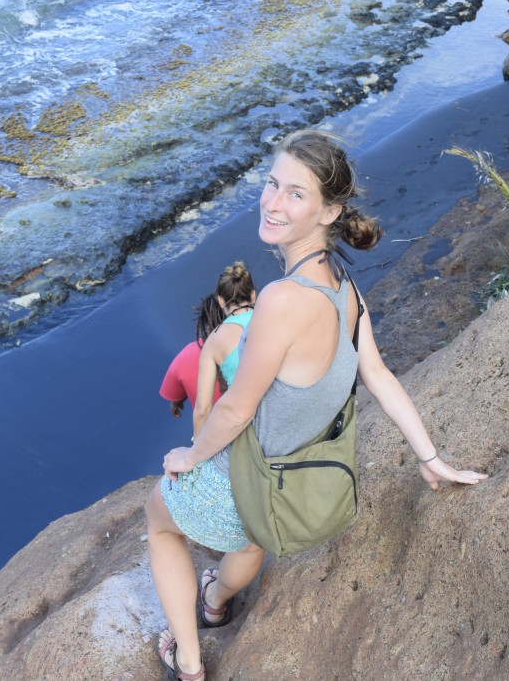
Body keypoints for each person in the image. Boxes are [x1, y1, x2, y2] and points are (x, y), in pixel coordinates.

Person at [146, 129, 489, 681]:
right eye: (271, 184)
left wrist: (190, 457)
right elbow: (376, 373)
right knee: (250, 538)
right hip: (305, 481)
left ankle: (187, 659)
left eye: (295, 194)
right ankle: (214, 602)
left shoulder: (282, 299)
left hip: (258, 477)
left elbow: (234, 411)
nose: (273, 203)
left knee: (159, 518)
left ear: (330, 211)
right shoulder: (344, 285)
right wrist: (429, 456)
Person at [192, 262, 256, 439]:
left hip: (249, 424)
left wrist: (195, 453)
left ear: (220, 301)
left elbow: (202, 410)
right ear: (253, 295)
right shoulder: (273, 315)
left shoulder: (213, 341)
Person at [159, 294, 225, 418]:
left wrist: (176, 403)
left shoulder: (185, 356)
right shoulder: (246, 344)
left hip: (209, 430)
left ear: (204, 324)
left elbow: (175, 394)